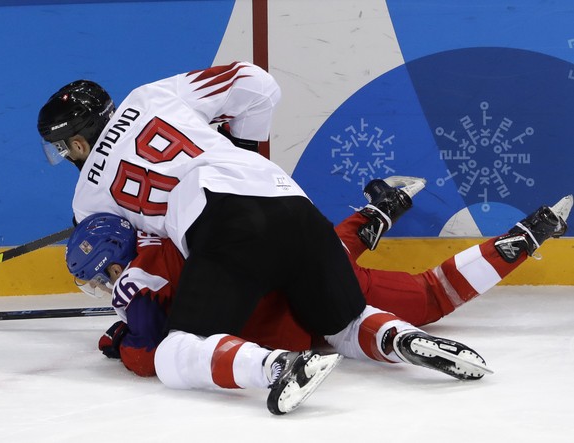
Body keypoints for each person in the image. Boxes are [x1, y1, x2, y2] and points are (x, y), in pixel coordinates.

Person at [37, 62, 488, 414]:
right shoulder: (151, 96)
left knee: (177, 350)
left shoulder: (86, 200)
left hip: (225, 225)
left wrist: (129, 316)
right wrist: (243, 149)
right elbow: (258, 84)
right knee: (343, 322)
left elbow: (140, 265)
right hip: (291, 201)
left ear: (77, 144)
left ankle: (276, 366)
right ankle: (398, 339)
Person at [64, 182, 570, 386]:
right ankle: (384, 211)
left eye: (97, 279)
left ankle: (517, 243)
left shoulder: (133, 285)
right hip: (296, 254)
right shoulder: (170, 231)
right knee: (330, 251)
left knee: (424, 297)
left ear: (112, 265)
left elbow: (151, 351)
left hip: (284, 316)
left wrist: (129, 340)